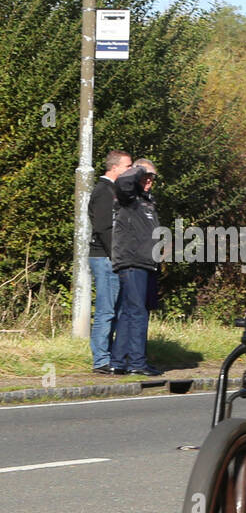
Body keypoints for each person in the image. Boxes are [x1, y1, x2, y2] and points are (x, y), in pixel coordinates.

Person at [108, 160, 164, 376]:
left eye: (152, 177)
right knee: (138, 312)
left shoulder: (146, 202)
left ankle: (119, 361)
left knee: (131, 312)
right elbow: (123, 182)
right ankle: (137, 363)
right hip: (132, 262)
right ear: (136, 175)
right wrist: (141, 168)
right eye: (145, 176)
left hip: (146, 263)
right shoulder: (128, 197)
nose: (149, 180)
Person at [88, 149, 131, 373]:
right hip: (105, 258)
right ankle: (101, 360)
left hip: (112, 257)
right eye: (127, 166)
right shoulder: (104, 191)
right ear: (114, 167)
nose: (130, 170)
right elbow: (105, 228)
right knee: (106, 310)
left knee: (116, 309)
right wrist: (117, 258)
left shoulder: (114, 190)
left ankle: (112, 357)